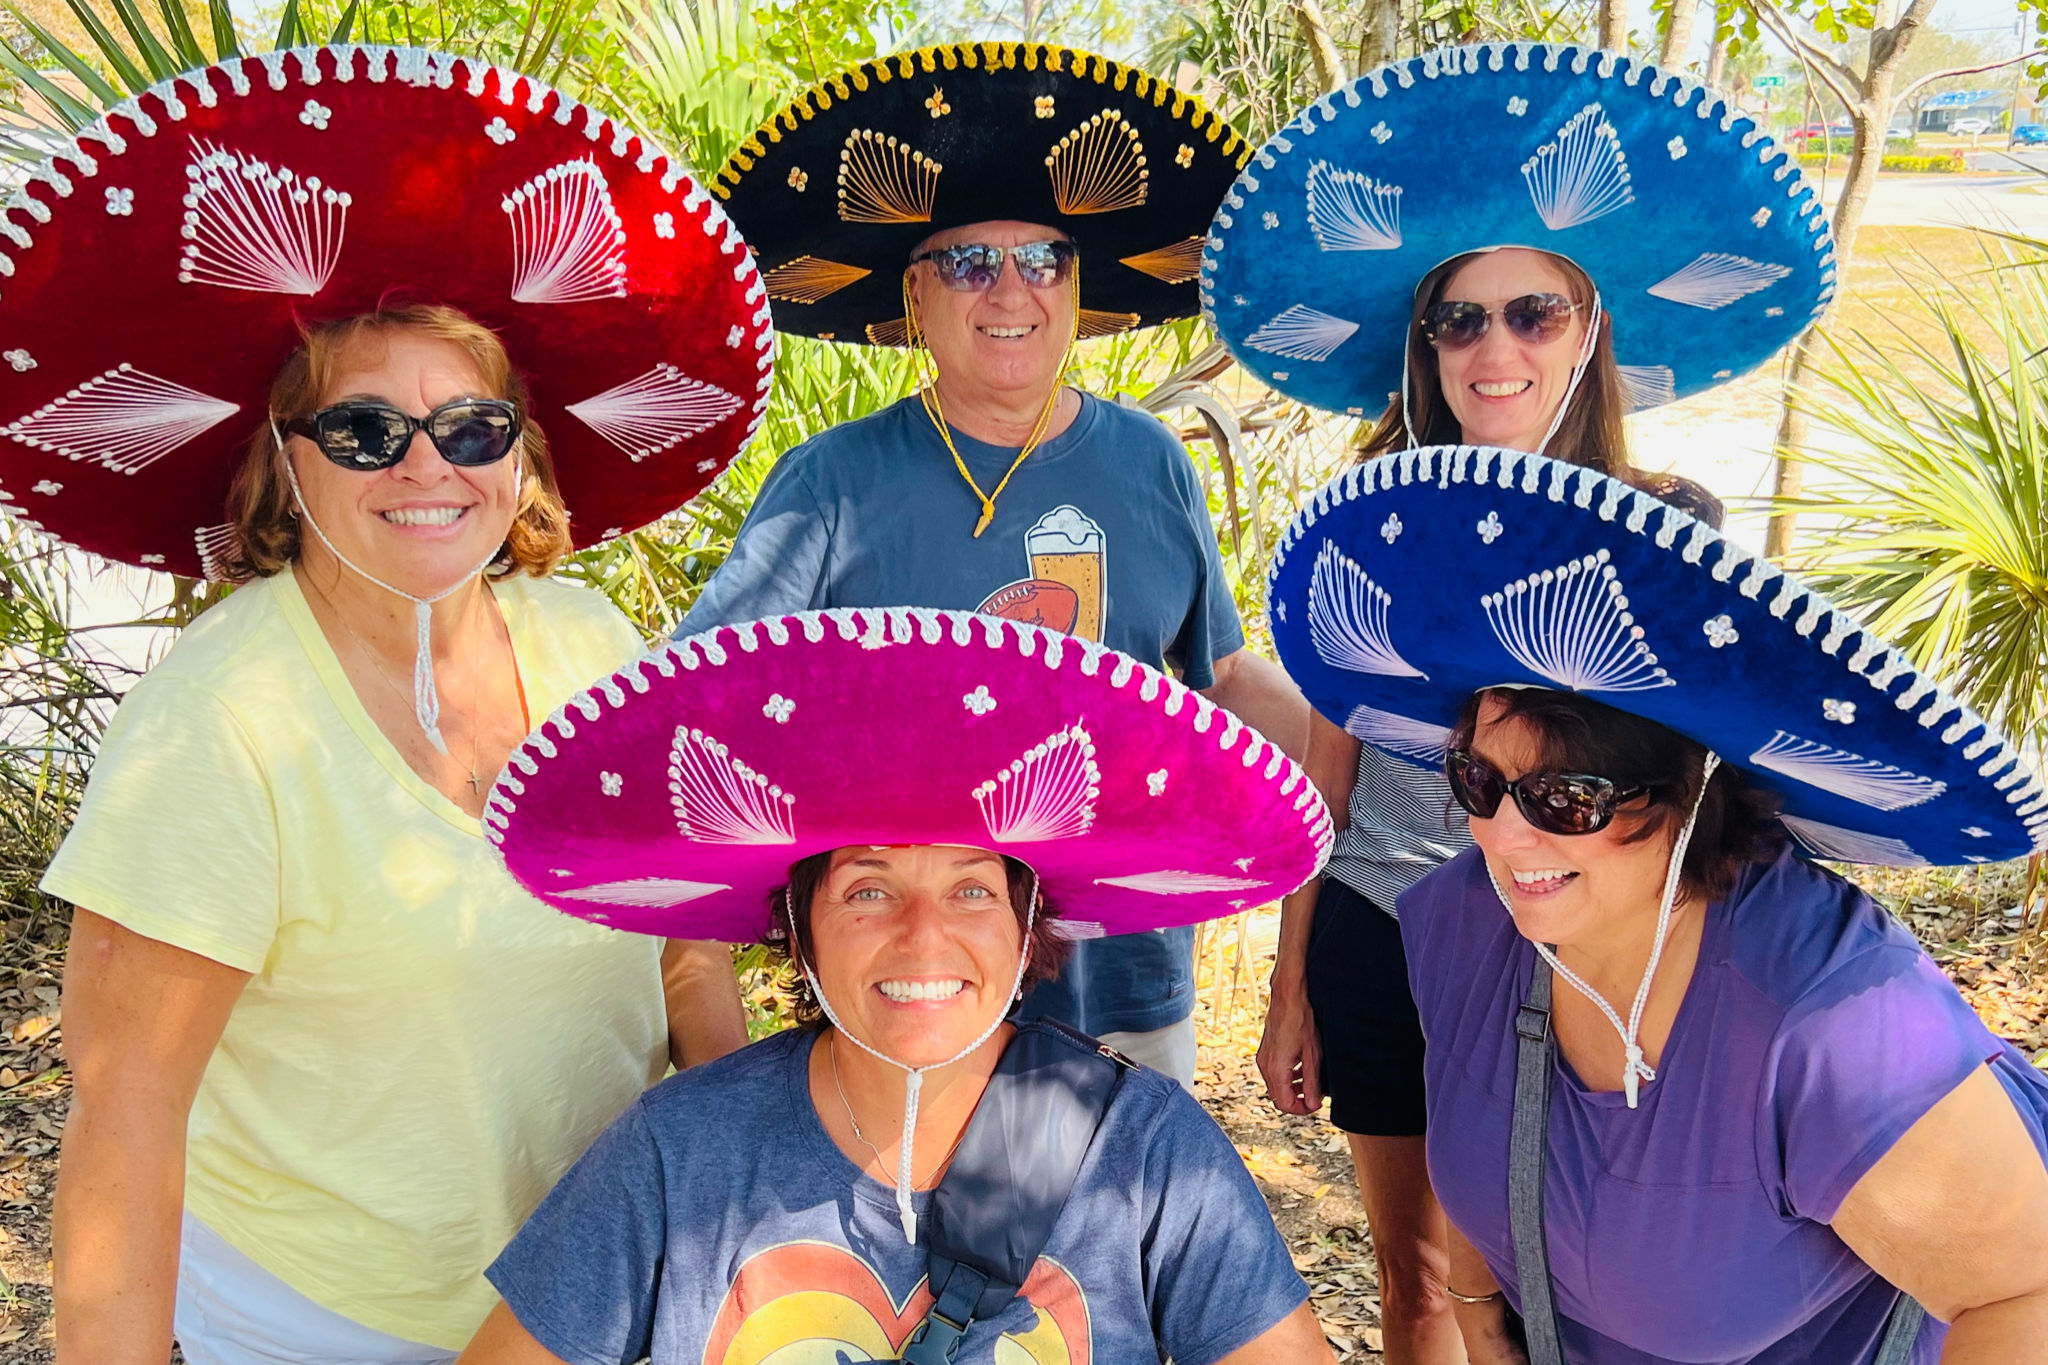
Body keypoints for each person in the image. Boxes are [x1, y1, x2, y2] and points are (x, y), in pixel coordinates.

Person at [15, 46, 773, 1362]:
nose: (428, 465)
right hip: (328, 1320)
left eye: (473, 427)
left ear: (518, 454)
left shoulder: (589, 642)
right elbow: (125, 1111)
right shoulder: (224, 719)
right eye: (366, 432)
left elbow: (684, 953)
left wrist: (759, 1221)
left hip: (598, 1287)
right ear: (283, 465)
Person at [1203, 41, 1837, 1361]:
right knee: (1425, 1280)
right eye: (1461, 318)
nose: (1497, 347)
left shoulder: (1672, 532)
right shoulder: (1370, 525)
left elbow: (1714, 800)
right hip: (1382, 927)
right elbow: (1329, 767)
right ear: (1425, 347)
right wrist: (1288, 988)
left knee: (1588, 1279)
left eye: (1534, 312)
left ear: (1589, 330)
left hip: (1590, 952)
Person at [1263, 436, 2048, 1361]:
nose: (1507, 840)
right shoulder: (1464, 922)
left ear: (1689, 793)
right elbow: (1477, 1155)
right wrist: (1480, 1318)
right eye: (1480, 780)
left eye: (1568, 798)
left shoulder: (1833, 1025)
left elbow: (2024, 1290)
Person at [453, 605, 1338, 1363]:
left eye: (970, 889)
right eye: (868, 891)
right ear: (798, 928)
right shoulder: (678, 1153)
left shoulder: (1142, 1149)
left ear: (1026, 922)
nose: (924, 938)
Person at [691, 40, 1311, 1084]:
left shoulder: (1147, 463)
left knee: (1114, 1244)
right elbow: (710, 696)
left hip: (1122, 975)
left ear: (1076, 289)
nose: (1010, 290)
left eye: (1042, 260)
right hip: (910, 986)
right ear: (914, 300)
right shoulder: (830, 484)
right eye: (971, 263)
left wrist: (1377, 768)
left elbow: (1215, 674)